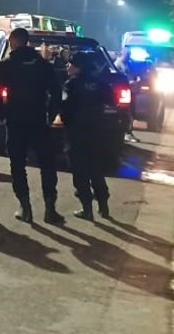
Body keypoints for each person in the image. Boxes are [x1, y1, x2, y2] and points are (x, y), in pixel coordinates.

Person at [0, 28, 64, 224]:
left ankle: (26, 209)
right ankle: (50, 209)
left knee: (18, 165)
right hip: (39, 121)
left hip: (16, 122)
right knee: (47, 164)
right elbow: (56, 91)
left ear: (14, 42)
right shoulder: (42, 64)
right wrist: (51, 114)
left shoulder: (7, 65)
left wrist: (3, 114)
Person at [62, 51, 112, 221]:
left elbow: (65, 109)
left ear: (78, 67)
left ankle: (87, 209)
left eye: (71, 64)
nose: (68, 67)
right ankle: (104, 207)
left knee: (80, 171)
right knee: (96, 169)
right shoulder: (99, 82)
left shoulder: (72, 85)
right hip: (98, 132)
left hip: (77, 134)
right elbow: (112, 100)